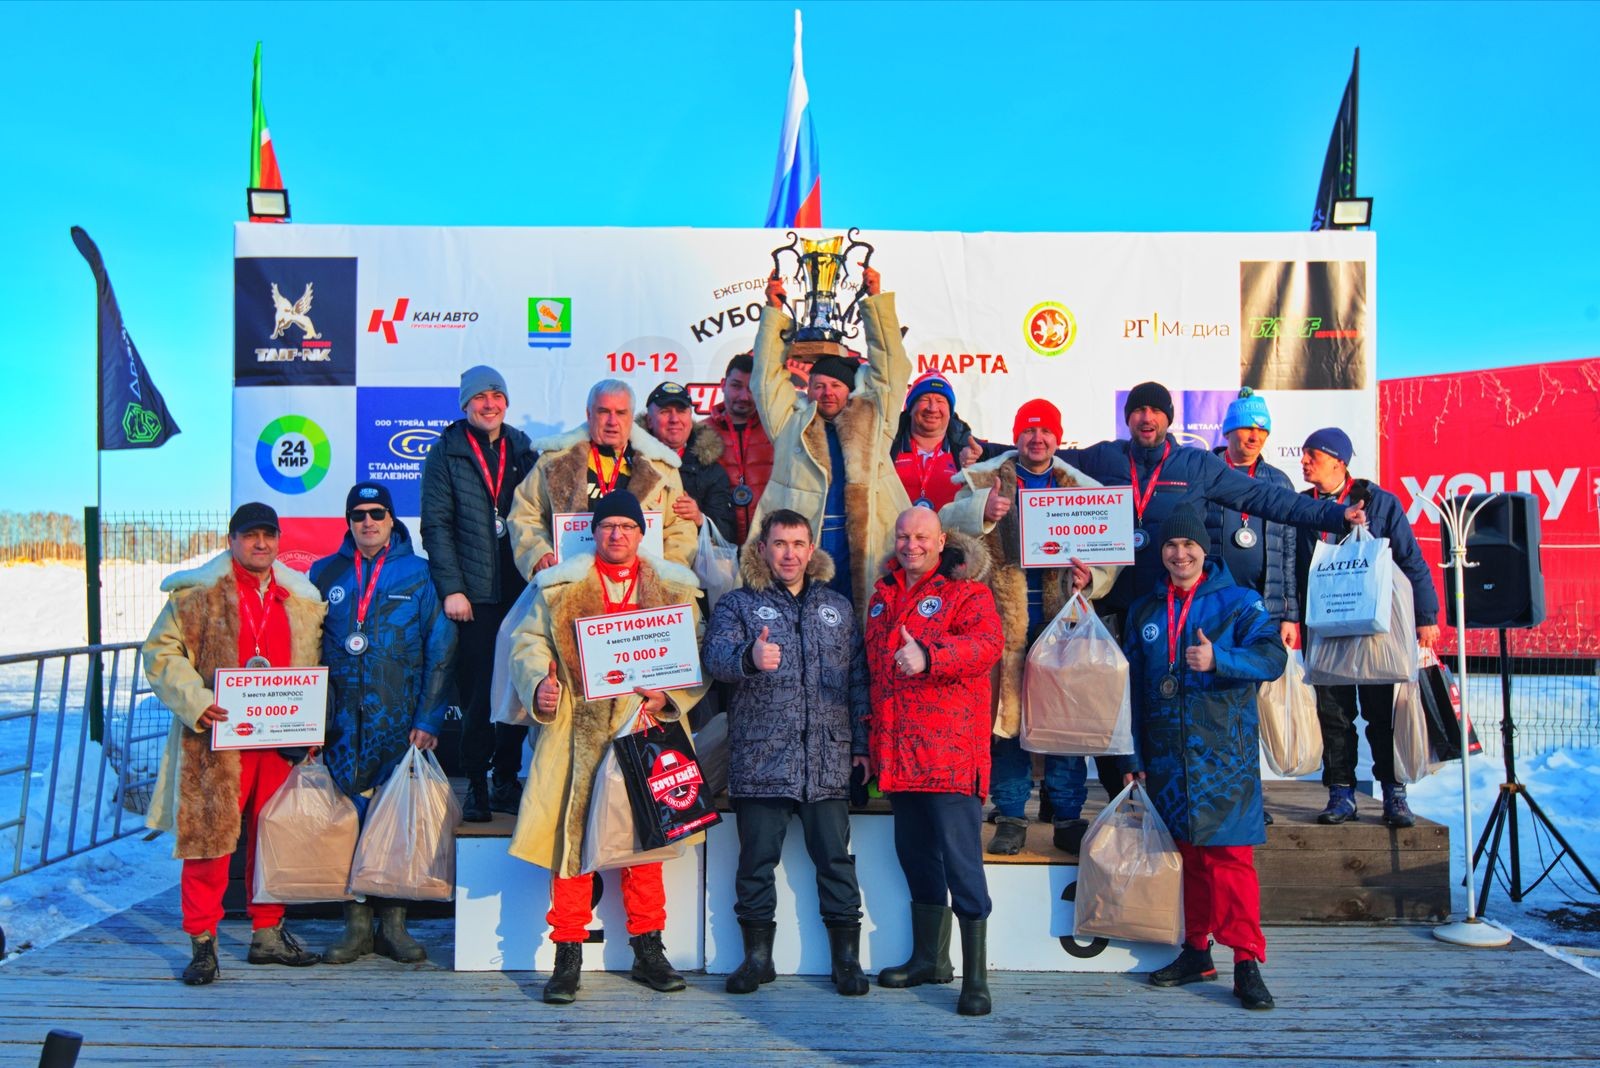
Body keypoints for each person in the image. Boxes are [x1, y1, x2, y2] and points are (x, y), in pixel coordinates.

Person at [507, 491, 707, 1005]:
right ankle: (567, 953)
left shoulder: (675, 589)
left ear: (642, 534)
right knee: (571, 849)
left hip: (644, 724)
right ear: (593, 533)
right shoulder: (558, 587)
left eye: (626, 525)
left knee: (646, 845)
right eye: (608, 526)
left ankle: (648, 949)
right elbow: (527, 644)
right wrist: (538, 686)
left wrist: (671, 695)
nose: (617, 534)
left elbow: (695, 652)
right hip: (578, 730)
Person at [142, 502, 325, 985]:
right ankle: (203, 943)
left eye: (268, 535)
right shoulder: (197, 594)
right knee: (209, 844)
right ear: (232, 540)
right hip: (215, 739)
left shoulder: (300, 598)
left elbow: (313, 666)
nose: (260, 543)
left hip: (277, 742)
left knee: (275, 839)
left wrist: (308, 727)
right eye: (250, 535)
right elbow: (161, 653)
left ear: (279, 541)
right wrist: (196, 700)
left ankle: (268, 933)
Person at [1121, 503, 1286, 1011]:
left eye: (1188, 544)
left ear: (1204, 550)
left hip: (1223, 754)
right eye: (1171, 545)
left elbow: (1272, 658)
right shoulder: (1146, 610)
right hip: (1167, 756)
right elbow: (1128, 688)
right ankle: (1196, 951)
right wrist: (1133, 754)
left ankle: (1245, 960)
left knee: (1229, 859)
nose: (1179, 553)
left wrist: (1221, 659)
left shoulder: (1239, 602)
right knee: (1187, 858)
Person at [702, 509, 871, 997]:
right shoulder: (738, 605)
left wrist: (860, 746)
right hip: (761, 759)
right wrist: (748, 660)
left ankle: (846, 961)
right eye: (780, 544)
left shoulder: (836, 606)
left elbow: (858, 679)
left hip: (827, 761)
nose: (790, 554)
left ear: (812, 548)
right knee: (755, 862)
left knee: (836, 861)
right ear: (762, 549)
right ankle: (757, 959)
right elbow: (714, 657)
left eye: (799, 544)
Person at [939, 399, 1119, 855]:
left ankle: (1066, 816)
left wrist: (1090, 578)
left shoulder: (1082, 488)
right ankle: (1013, 816)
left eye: (1045, 432)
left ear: (1058, 439)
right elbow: (946, 529)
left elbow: (1108, 556)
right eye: (1028, 431)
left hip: (1062, 627)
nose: (1036, 439)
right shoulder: (982, 481)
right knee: (1007, 727)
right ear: (1016, 437)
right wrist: (982, 511)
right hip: (1002, 626)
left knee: (1065, 728)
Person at [1057, 380, 1366, 624]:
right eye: (1138, 410)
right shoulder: (1104, 457)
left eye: (1156, 410)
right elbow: (1041, 461)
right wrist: (1008, 461)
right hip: (1114, 604)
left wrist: (1336, 515)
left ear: (1168, 419)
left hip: (1173, 602)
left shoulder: (1196, 465)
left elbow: (1264, 496)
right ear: (1128, 418)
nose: (1147, 417)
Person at [864, 507, 1004, 1017]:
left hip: (948, 756)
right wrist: (869, 744)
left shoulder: (969, 595)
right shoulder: (881, 600)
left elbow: (987, 645)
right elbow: (874, 676)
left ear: (941, 540)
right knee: (916, 859)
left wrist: (930, 656)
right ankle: (930, 960)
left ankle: (976, 978)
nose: (911, 544)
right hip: (899, 760)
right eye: (903, 535)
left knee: (962, 866)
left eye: (921, 536)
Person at [310, 482, 456, 965]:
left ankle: (393, 923)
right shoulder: (323, 572)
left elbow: (441, 646)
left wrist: (429, 714)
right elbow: (305, 647)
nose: (368, 522)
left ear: (392, 520)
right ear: (348, 522)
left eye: (377, 513)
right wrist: (308, 720)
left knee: (395, 821)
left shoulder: (420, 574)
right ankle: (355, 927)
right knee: (347, 819)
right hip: (341, 722)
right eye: (358, 515)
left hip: (397, 718)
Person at [1294, 427, 1441, 828]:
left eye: (1313, 455)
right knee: (1334, 715)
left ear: (1339, 461)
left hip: (1374, 630)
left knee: (1381, 715)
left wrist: (1426, 617)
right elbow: (1291, 568)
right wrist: (1290, 617)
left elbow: (1410, 561)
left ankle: (1394, 794)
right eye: (1303, 454)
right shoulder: (1299, 507)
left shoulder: (1380, 503)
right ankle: (1341, 793)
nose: (1304, 461)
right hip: (1324, 627)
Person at [749, 266, 913, 617]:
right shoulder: (790, 424)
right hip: (806, 548)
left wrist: (876, 303)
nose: (827, 392)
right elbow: (764, 380)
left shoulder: (875, 422)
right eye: (819, 385)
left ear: (849, 390)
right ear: (807, 389)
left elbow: (892, 370)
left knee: (865, 628)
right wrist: (774, 314)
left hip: (866, 545)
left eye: (836, 385)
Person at [420, 365, 538, 822]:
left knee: (516, 688)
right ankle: (476, 786)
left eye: (496, 395)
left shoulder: (525, 449)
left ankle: (506, 781)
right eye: (480, 397)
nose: (489, 403)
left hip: (521, 588)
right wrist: (452, 588)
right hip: (473, 595)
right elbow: (437, 525)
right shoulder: (445, 453)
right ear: (465, 404)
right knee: (476, 695)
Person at [1203, 389, 1298, 827]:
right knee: (1217, 706)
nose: (1254, 435)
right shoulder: (1206, 474)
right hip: (1216, 611)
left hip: (1264, 613)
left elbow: (1290, 555)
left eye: (1262, 428)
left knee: (1251, 708)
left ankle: (1248, 793)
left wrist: (1289, 613)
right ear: (1227, 431)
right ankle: (1215, 791)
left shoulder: (1278, 483)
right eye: (1246, 426)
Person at [509, 379, 697, 576]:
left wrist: (665, 574)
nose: (612, 421)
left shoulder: (662, 467)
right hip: (573, 587)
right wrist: (538, 553)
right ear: (589, 414)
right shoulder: (554, 460)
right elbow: (525, 513)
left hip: (641, 590)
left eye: (621, 413)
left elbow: (680, 528)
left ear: (631, 417)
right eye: (604, 411)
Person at [642, 380, 736, 543]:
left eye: (681, 411)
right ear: (649, 420)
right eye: (665, 411)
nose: (674, 419)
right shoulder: (628, 460)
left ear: (690, 417)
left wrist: (700, 518)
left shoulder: (711, 471)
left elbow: (728, 533)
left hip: (692, 565)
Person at [888, 371, 989, 513]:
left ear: (950, 411)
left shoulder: (971, 452)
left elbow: (980, 509)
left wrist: (974, 470)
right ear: (910, 408)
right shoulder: (887, 445)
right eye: (924, 399)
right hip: (895, 534)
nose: (932, 408)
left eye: (940, 401)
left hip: (950, 533)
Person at [705, 352, 776, 544]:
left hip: (767, 544)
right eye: (736, 386)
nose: (744, 396)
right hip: (717, 544)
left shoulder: (775, 429)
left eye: (752, 388)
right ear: (723, 384)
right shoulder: (701, 431)